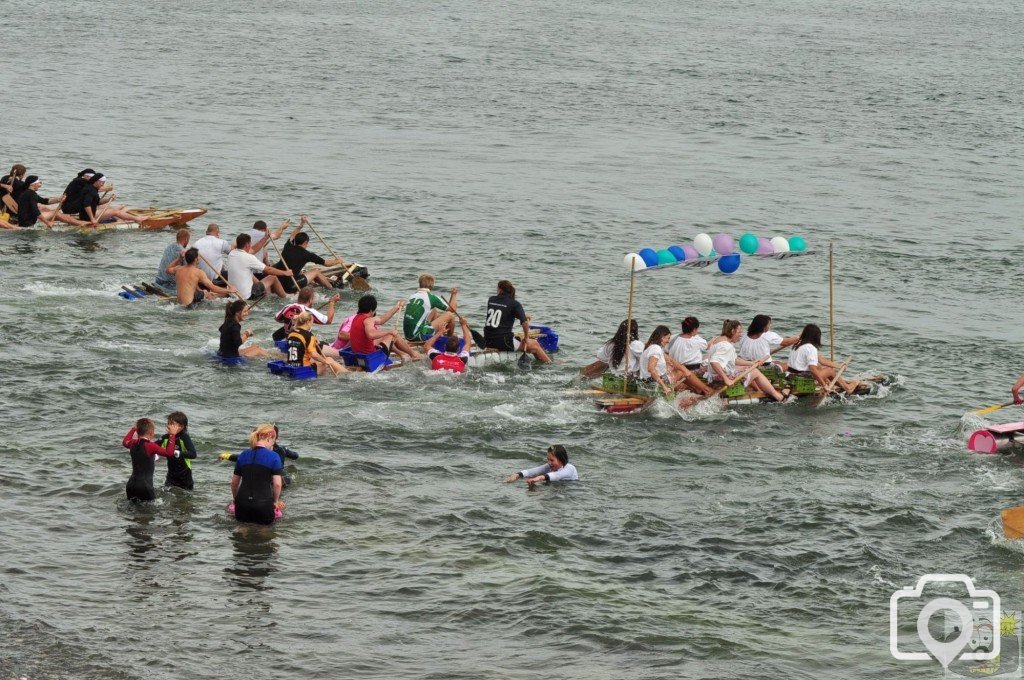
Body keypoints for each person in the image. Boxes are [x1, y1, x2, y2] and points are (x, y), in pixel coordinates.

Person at [706, 320, 790, 402]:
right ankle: (777, 396)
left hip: (713, 376)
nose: (740, 335)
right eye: (739, 332)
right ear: (732, 331)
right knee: (755, 372)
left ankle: (760, 389)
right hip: (720, 379)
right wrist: (726, 380)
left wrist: (752, 363)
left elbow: (734, 360)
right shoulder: (726, 346)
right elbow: (714, 362)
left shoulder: (717, 339)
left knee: (747, 367)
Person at [481, 279, 551, 363]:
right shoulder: (515, 304)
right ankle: (550, 363)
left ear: (500, 289)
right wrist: (526, 337)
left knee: (518, 338)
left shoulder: (491, 300)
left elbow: (504, 312)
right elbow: (525, 323)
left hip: (487, 340)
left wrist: (522, 316)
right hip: (503, 342)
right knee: (535, 344)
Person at [230, 423, 285, 525]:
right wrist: (275, 502)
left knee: (243, 530)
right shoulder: (274, 456)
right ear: (269, 437)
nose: (272, 445)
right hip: (263, 505)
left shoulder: (243, 454)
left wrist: (235, 499)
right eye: (273, 441)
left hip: (242, 504)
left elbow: (234, 483)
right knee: (265, 535)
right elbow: (277, 484)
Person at [271, 219, 342, 293]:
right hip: (290, 286)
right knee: (316, 271)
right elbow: (326, 263)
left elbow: (292, 235)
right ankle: (332, 289)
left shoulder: (288, 245)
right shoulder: (308, 255)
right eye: (307, 243)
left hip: (277, 283)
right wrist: (338, 261)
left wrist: (301, 225)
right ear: (305, 242)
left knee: (300, 272)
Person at [121, 417, 182, 502]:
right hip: (144, 486)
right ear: (151, 433)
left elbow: (125, 442)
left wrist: (133, 428)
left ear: (137, 431)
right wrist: (172, 435)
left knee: (132, 511)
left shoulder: (133, 443)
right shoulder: (150, 445)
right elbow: (169, 453)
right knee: (149, 513)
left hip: (131, 485)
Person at [788, 323, 860, 395]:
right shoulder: (810, 348)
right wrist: (824, 385)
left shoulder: (797, 344)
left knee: (819, 366)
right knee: (829, 370)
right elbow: (812, 369)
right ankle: (848, 388)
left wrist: (838, 366)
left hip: (791, 377)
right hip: (802, 379)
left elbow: (821, 360)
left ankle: (834, 383)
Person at [220, 425, 299, 487]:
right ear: (276, 437)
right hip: (281, 478)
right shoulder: (282, 450)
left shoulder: (253, 453)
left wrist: (226, 455)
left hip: (265, 479)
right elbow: (295, 456)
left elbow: (240, 458)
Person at [349, 295, 422, 361]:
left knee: (385, 335)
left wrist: (396, 307)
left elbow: (381, 320)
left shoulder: (356, 317)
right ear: (371, 310)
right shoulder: (369, 320)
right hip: (369, 355)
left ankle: (405, 354)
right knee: (393, 335)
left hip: (357, 352)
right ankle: (413, 354)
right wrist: (389, 331)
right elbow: (371, 334)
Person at [224, 233, 292, 300]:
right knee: (272, 277)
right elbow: (268, 270)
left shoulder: (231, 253)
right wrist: (285, 273)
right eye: (250, 243)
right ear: (247, 245)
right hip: (247, 296)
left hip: (233, 294)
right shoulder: (249, 257)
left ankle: (265, 292)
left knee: (249, 273)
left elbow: (253, 249)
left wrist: (265, 237)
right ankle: (286, 297)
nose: (251, 245)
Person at [666, 317, 715, 395]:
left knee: (704, 357)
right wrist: (714, 340)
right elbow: (707, 346)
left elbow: (667, 351)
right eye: (697, 329)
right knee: (710, 358)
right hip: (691, 370)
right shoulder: (695, 339)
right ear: (694, 330)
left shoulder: (673, 338)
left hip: (676, 368)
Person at [272, 286, 339, 342]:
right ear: (310, 300)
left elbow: (277, 319)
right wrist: (332, 303)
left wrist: (290, 321)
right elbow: (328, 320)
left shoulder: (287, 307)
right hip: (300, 341)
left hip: (287, 338)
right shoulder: (308, 311)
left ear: (299, 298)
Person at [76, 173, 146, 225]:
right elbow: (86, 205)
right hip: (87, 216)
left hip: (87, 214)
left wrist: (109, 199)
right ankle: (137, 219)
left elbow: (98, 202)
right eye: (102, 183)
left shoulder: (92, 188)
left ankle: (121, 218)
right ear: (96, 181)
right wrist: (92, 219)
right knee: (115, 212)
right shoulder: (90, 190)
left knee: (110, 209)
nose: (103, 185)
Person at [403, 274, 456, 341]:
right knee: (450, 315)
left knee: (434, 310)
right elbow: (452, 309)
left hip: (408, 335)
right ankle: (449, 340)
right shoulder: (431, 298)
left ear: (420, 284)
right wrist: (454, 294)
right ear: (432, 286)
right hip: (418, 335)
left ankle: (434, 333)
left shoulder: (412, 296)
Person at [504, 445, 578, 486]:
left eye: (552, 460)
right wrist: (517, 475)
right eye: (548, 459)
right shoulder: (549, 466)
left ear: (561, 460)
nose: (549, 462)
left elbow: (557, 475)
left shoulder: (570, 468)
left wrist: (539, 478)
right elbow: (533, 471)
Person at [160, 411, 197, 491]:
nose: (169, 426)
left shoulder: (184, 437)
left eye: (172, 424)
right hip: (171, 477)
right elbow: (153, 446)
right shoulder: (165, 438)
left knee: (185, 501)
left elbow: (193, 454)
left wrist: (178, 453)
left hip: (185, 477)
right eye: (168, 423)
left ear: (181, 426)